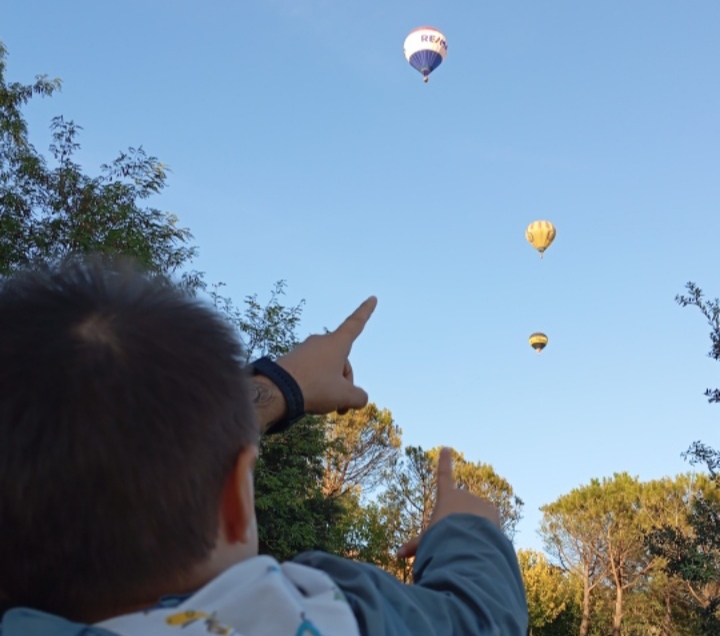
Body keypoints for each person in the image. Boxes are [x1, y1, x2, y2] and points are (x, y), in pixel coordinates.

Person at [0, 259, 528, 636]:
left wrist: (275, 391)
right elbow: (480, 618)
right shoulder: (314, 610)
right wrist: (468, 531)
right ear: (234, 500)